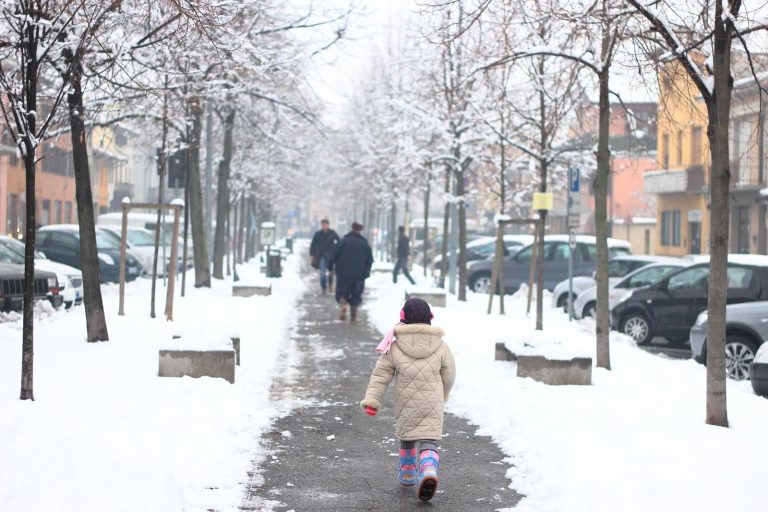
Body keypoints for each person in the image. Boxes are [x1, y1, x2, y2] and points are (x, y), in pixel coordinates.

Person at [360, 299, 456, 502]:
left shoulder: (395, 346)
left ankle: (408, 473)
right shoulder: (441, 345)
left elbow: (381, 374)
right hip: (433, 402)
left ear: (403, 319)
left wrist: (372, 399)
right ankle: (429, 468)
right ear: (430, 319)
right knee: (429, 438)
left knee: (407, 435)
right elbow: (449, 375)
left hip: (405, 402)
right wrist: (443, 394)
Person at [326, 222, 373, 322]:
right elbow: (369, 260)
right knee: (356, 295)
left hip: (343, 273)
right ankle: (353, 317)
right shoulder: (364, 244)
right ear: (360, 231)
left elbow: (335, 254)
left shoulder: (343, 241)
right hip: (359, 274)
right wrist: (366, 273)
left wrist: (330, 266)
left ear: (351, 229)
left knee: (342, 292)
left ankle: (343, 303)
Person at [309, 219, 339, 294]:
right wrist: (312, 254)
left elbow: (339, 242)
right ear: (321, 225)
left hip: (331, 256)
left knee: (331, 272)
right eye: (323, 224)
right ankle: (324, 287)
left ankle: (330, 285)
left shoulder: (333, 233)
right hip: (321, 256)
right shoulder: (318, 234)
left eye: (326, 224)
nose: (324, 226)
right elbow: (313, 244)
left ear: (328, 225)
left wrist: (336, 250)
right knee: (322, 273)